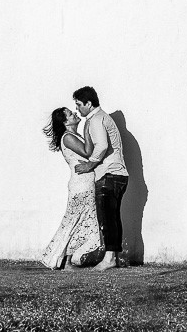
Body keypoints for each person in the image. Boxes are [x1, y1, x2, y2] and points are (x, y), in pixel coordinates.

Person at [71, 86, 129, 271]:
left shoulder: (96, 119)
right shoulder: (101, 117)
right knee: (112, 217)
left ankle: (110, 258)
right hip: (117, 175)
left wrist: (90, 164)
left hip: (109, 175)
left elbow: (102, 145)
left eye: (79, 104)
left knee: (108, 218)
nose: (77, 109)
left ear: (89, 103)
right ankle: (114, 257)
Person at [39, 107, 104, 270]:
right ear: (65, 122)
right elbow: (88, 152)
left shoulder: (74, 136)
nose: (75, 114)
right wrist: (88, 129)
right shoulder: (68, 137)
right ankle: (66, 261)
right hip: (80, 185)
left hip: (85, 182)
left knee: (79, 221)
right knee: (75, 221)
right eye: (70, 114)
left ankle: (66, 259)